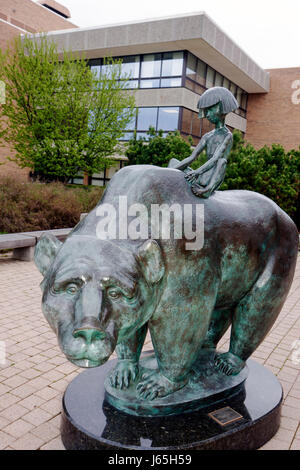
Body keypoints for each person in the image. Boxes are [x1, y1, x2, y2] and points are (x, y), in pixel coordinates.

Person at [168, 87, 238, 198]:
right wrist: (170, 172)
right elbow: (192, 157)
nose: (207, 114)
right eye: (206, 110)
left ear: (221, 108)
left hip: (211, 176)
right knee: (173, 162)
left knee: (222, 161)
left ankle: (207, 190)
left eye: (210, 109)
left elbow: (215, 158)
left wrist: (197, 172)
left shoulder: (227, 135)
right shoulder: (208, 136)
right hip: (202, 174)